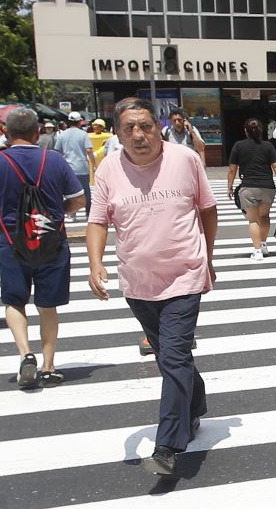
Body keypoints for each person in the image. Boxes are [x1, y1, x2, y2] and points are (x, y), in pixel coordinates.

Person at [86, 97, 216, 477]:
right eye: (129, 128)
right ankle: (194, 409)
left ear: (158, 125)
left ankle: (167, 446)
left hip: (184, 275)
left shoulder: (185, 159)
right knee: (169, 357)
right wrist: (95, 264)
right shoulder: (109, 169)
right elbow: (98, 221)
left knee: (173, 357)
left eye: (145, 125)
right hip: (137, 282)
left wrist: (208, 256)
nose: (139, 135)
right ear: (118, 133)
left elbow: (206, 209)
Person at [0, 106, 85, 390]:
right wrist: (58, 213)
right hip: (51, 242)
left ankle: (25, 354)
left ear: (6, 132)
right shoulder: (54, 161)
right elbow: (78, 200)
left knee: (14, 301)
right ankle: (48, 365)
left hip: (11, 242)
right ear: (37, 133)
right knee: (47, 305)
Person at [225, 117, 276, 260]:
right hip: (268, 187)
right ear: (261, 130)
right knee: (264, 216)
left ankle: (257, 251)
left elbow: (232, 169)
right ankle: (263, 245)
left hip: (248, 187)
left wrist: (230, 186)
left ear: (246, 131)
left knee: (253, 220)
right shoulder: (268, 146)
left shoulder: (238, 146)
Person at [54, 111, 92, 215]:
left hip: (67, 168)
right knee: (86, 190)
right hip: (82, 167)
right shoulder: (83, 134)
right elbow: (88, 150)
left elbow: (57, 151)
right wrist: (94, 164)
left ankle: (72, 213)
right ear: (80, 122)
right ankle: (88, 212)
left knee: (69, 191)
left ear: (68, 122)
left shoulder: (62, 135)